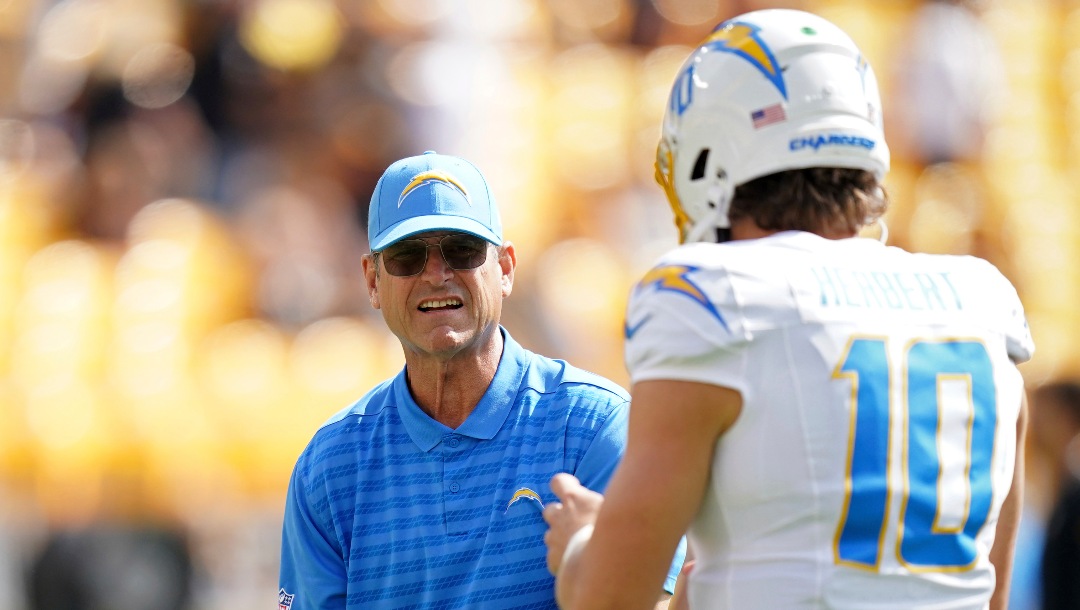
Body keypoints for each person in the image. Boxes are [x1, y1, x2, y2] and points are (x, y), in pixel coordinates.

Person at [542, 8, 1033, 610]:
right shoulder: (981, 305)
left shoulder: (710, 295)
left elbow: (607, 597)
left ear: (711, 149)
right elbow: (988, 598)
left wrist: (582, 544)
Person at [278, 151, 683, 609]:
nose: (437, 274)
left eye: (462, 250)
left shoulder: (595, 426)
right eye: (408, 257)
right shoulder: (329, 467)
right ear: (373, 281)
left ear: (505, 269)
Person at [1029, 380, 1080, 610]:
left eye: (1044, 414)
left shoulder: (1074, 491)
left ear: (1067, 418)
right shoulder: (1055, 481)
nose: (1035, 425)